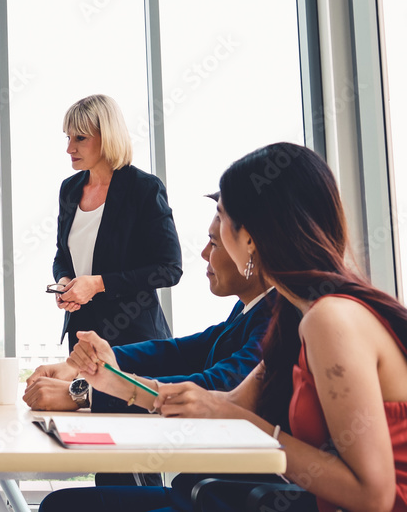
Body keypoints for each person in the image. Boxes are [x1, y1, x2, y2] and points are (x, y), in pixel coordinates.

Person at [46, 142, 407, 512]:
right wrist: (113, 382)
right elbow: (227, 402)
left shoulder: (329, 320)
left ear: (249, 238)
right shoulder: (294, 314)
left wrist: (260, 431)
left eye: (220, 220)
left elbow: (372, 496)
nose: (208, 244)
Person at [26, 195, 275, 487]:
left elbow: (217, 386)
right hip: (204, 490)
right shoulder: (252, 308)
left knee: (61, 506)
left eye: (215, 243)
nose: (204, 253)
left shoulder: (276, 317)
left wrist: (81, 394)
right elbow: (178, 351)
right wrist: (79, 366)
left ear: (252, 251)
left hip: (221, 497)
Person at [52, 94, 182, 351]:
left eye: (80, 138)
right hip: (82, 338)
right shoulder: (70, 189)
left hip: (135, 341)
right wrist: (65, 282)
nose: (69, 148)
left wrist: (98, 284)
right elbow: (62, 255)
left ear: (107, 137)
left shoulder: (143, 188)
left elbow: (169, 268)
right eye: (68, 137)